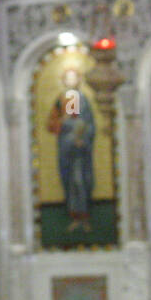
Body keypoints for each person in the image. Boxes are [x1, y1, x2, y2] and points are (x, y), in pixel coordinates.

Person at [47, 68, 96, 232]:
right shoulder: (61, 100)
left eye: (73, 78)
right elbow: (52, 124)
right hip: (66, 147)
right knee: (70, 180)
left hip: (81, 148)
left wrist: (83, 137)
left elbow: (89, 123)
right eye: (67, 78)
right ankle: (74, 216)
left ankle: (85, 216)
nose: (70, 81)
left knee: (81, 180)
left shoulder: (83, 100)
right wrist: (64, 122)